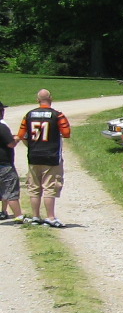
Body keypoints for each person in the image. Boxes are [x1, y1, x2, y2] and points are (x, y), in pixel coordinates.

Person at [21, 89, 70, 227]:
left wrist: (32, 146)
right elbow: (66, 133)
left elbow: (22, 136)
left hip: (34, 156)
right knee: (50, 187)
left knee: (34, 187)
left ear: (37, 100)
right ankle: (50, 217)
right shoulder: (58, 115)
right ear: (51, 99)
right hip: (51, 156)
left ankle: (35, 216)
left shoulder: (29, 115)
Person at [0, 102, 19, 222]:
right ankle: (18, 216)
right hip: (4, 163)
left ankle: (3, 211)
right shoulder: (2, 126)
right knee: (10, 189)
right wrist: (17, 138)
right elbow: (11, 143)